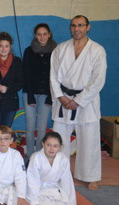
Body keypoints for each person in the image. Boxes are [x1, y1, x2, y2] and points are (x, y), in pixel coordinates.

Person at [50, 15, 107, 190]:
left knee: (89, 139)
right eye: (74, 25)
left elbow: (98, 80)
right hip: (64, 100)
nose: (77, 29)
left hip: (86, 101)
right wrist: (61, 96)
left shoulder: (97, 50)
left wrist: (79, 100)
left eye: (81, 25)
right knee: (59, 140)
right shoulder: (61, 49)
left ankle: (90, 176)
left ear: (88, 27)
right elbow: (53, 75)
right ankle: (59, 174)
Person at [23, 23, 57, 160]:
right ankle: (31, 157)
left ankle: (40, 157)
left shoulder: (56, 51)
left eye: (44, 34)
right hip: (30, 93)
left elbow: (56, 75)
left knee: (42, 128)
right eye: (39, 34)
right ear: (35, 36)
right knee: (30, 127)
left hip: (46, 95)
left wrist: (50, 96)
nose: (42, 37)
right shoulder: (28, 51)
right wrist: (30, 96)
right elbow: (26, 74)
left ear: (49, 35)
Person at [27, 131, 76, 205]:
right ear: (43, 144)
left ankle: (55, 204)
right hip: (39, 188)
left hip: (54, 188)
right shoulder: (36, 158)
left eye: (55, 146)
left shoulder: (63, 159)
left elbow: (67, 181)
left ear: (60, 147)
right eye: (48, 145)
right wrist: (33, 203)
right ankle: (39, 202)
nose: (51, 149)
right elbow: (32, 180)